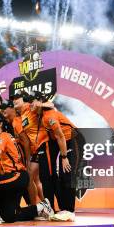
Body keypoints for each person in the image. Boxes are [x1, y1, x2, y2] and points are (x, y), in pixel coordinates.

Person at [0, 113, 53, 225]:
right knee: (9, 216)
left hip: (17, 176)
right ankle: (41, 207)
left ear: (0, 124)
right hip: (10, 177)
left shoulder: (3, 137)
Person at [31, 91, 78, 219]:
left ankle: (69, 211)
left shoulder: (49, 116)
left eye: (32, 101)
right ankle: (64, 209)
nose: (30, 104)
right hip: (61, 143)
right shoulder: (42, 114)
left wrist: (64, 157)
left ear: (39, 102)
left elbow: (60, 136)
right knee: (59, 176)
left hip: (69, 140)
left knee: (66, 173)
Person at [12, 92, 45, 204]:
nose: (14, 100)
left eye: (17, 98)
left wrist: (27, 159)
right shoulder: (20, 115)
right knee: (34, 179)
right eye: (13, 99)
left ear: (25, 99)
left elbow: (47, 105)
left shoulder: (30, 108)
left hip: (42, 146)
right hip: (35, 150)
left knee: (31, 178)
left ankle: (39, 206)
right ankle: (42, 206)